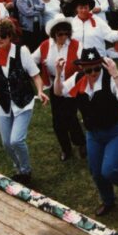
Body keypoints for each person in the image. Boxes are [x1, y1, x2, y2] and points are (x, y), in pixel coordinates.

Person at [54, 47, 118, 217]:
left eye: (97, 68)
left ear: (102, 65)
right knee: (96, 172)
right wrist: (58, 73)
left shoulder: (111, 78)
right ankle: (108, 201)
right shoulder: (78, 79)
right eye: (88, 69)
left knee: (110, 170)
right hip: (94, 134)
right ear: (82, 68)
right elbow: (58, 91)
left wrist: (115, 74)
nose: (93, 73)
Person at [0, 19, 48, 185]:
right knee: (6, 143)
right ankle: (19, 169)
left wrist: (39, 90)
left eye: (2, 36)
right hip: (4, 105)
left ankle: (26, 170)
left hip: (23, 102)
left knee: (16, 140)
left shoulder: (22, 51)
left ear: (10, 36)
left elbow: (35, 75)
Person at [31, 15, 86, 161]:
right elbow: (31, 60)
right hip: (55, 85)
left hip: (72, 85)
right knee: (57, 120)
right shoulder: (45, 45)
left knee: (70, 116)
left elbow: (84, 61)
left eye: (66, 33)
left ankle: (80, 143)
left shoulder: (76, 45)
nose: (63, 37)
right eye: (59, 34)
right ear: (53, 34)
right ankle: (65, 148)